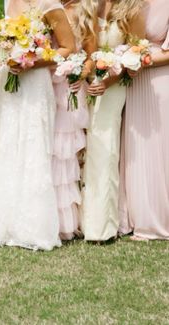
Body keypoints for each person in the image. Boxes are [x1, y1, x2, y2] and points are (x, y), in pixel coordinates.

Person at [0, 0, 76, 250]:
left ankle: (33, 225)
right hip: (6, 81)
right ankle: (3, 220)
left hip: (34, 83)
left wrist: (33, 60)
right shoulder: (8, 2)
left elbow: (68, 47)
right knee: (5, 144)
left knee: (32, 147)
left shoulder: (49, 5)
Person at [81, 0, 145, 242]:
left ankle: (101, 226)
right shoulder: (87, 6)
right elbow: (83, 50)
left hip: (113, 85)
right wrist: (84, 76)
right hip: (85, 83)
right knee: (81, 149)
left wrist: (106, 81)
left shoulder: (132, 9)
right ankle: (79, 221)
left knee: (104, 148)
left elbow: (136, 55)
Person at [119, 0, 169, 241]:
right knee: (136, 149)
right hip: (132, 83)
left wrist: (142, 60)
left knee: (160, 148)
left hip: (160, 82)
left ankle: (160, 218)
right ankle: (138, 216)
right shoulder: (130, 1)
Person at [52, 0, 97, 240]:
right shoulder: (45, 7)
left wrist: (82, 72)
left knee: (66, 155)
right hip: (46, 87)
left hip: (70, 90)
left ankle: (66, 221)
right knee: (47, 153)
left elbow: (91, 56)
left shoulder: (85, 10)